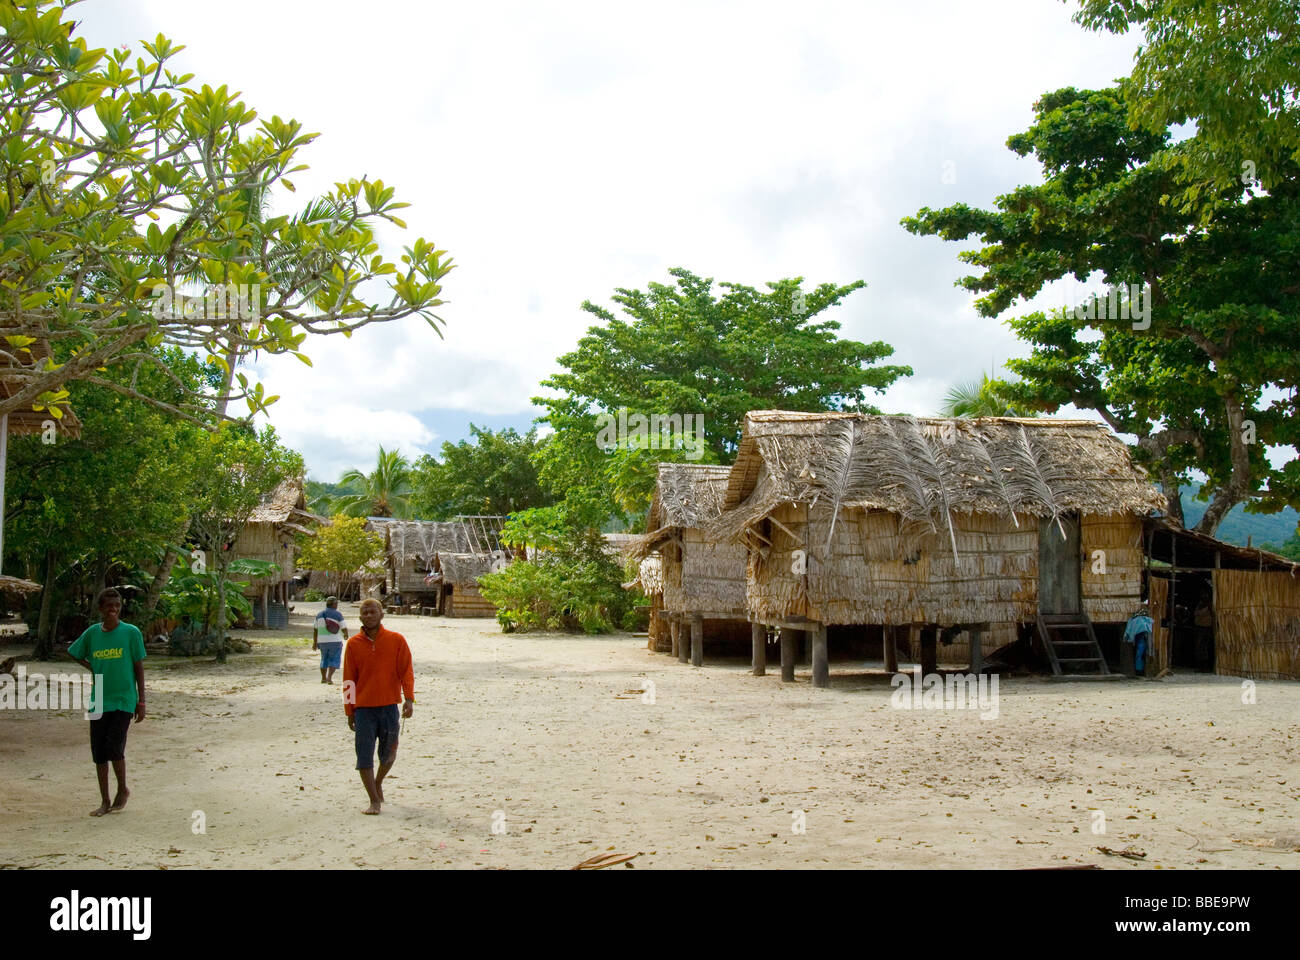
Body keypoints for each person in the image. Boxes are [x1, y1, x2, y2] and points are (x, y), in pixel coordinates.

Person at [69, 588, 146, 817]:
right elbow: (73, 652)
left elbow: (138, 667)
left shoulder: (131, 632)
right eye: (109, 606)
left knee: (114, 747)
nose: (113, 609)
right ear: (101, 609)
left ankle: (122, 790)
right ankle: (104, 801)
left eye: (117, 605)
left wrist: (141, 702)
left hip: (123, 698)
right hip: (99, 697)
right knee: (99, 753)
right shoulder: (93, 634)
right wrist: (92, 666)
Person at [342, 598, 414, 815]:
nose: (369, 615)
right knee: (364, 755)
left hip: (390, 706)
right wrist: (349, 710)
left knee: (389, 754)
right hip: (363, 709)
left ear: (382, 614)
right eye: (365, 612)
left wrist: (409, 699)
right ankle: (374, 800)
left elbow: (406, 671)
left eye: (373, 611)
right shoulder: (353, 644)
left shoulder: (396, 640)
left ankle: (378, 781)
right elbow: (348, 680)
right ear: (360, 616)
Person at [312, 596, 349, 684]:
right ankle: (329, 677)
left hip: (322, 641)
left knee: (324, 659)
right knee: (334, 658)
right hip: (335, 641)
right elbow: (343, 627)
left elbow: (315, 629)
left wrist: (315, 642)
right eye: (336, 603)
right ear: (334, 604)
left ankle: (323, 678)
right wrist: (345, 634)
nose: (337, 605)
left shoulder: (319, 614)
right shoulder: (337, 614)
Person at [1123, 604, 1153, 677]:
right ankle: (1139, 670)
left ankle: (1139, 670)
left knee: (1139, 655)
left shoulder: (1134, 620)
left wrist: (1126, 638)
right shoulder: (1146, 621)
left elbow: (1128, 631)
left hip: (1140, 639)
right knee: (1140, 655)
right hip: (1142, 639)